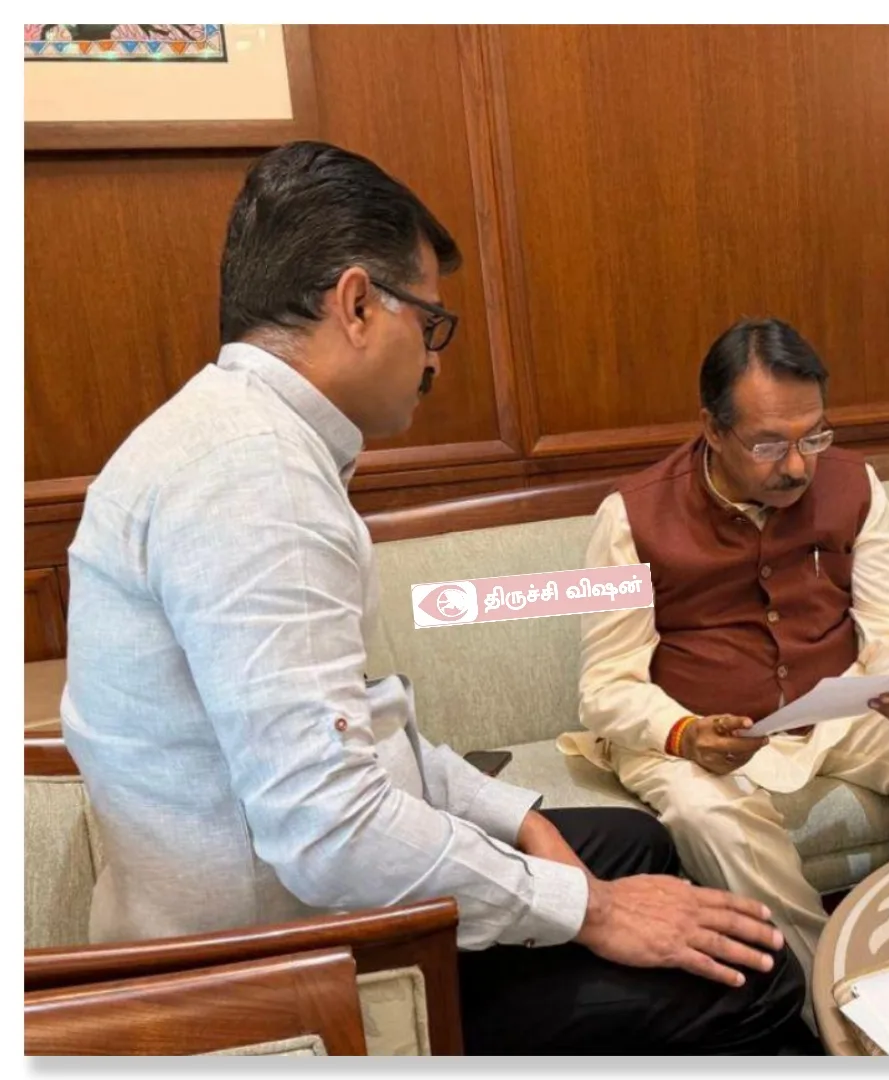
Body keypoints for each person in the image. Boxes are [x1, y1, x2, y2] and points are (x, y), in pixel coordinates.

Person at [60, 142, 816, 1055]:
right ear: (357, 304)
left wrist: (519, 818)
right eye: (431, 324)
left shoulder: (238, 438)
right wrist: (594, 910)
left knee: (636, 842)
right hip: (290, 960)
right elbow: (332, 830)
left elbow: (372, 730)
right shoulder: (256, 483)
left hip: (309, 892)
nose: (434, 362)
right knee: (757, 978)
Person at [565, 317, 889, 1018]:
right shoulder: (628, 517)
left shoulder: (856, 484)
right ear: (712, 428)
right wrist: (684, 734)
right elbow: (605, 684)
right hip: (698, 731)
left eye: (813, 437)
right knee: (707, 814)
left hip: (836, 711)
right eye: (769, 444)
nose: (797, 466)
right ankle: (831, 1002)